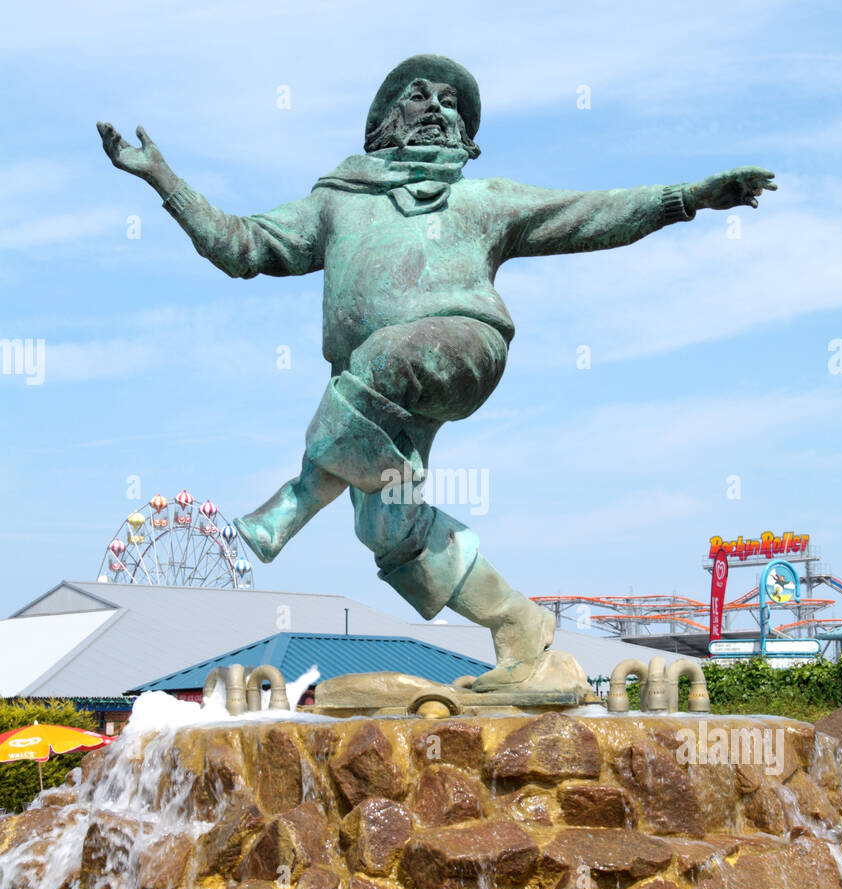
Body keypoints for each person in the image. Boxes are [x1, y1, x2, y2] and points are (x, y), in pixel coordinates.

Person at [98, 54, 775, 691]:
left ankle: (297, 500)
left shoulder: (483, 200)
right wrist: (165, 181)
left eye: (451, 104)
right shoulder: (336, 203)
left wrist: (691, 196)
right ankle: (519, 629)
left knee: (388, 355)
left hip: (460, 348)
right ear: (382, 122)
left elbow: (593, 214)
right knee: (389, 531)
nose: (436, 108)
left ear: (467, 136)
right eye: (418, 95)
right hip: (372, 402)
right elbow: (241, 247)